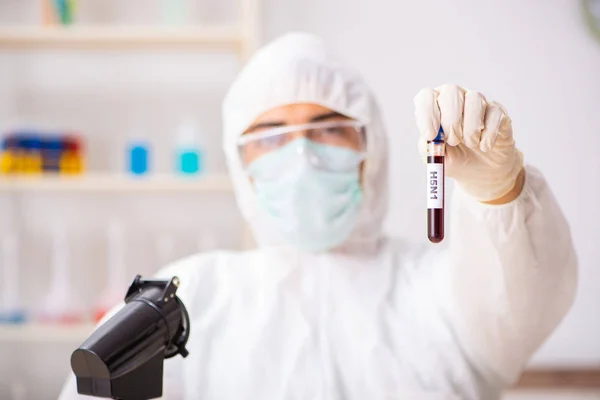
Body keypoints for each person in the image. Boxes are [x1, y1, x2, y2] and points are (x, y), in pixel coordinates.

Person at [58, 32, 577, 400]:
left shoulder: (436, 290)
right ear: (242, 165)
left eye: (329, 128)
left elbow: (525, 298)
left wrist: (500, 194)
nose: (302, 154)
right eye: (273, 137)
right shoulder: (193, 296)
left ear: (369, 147)